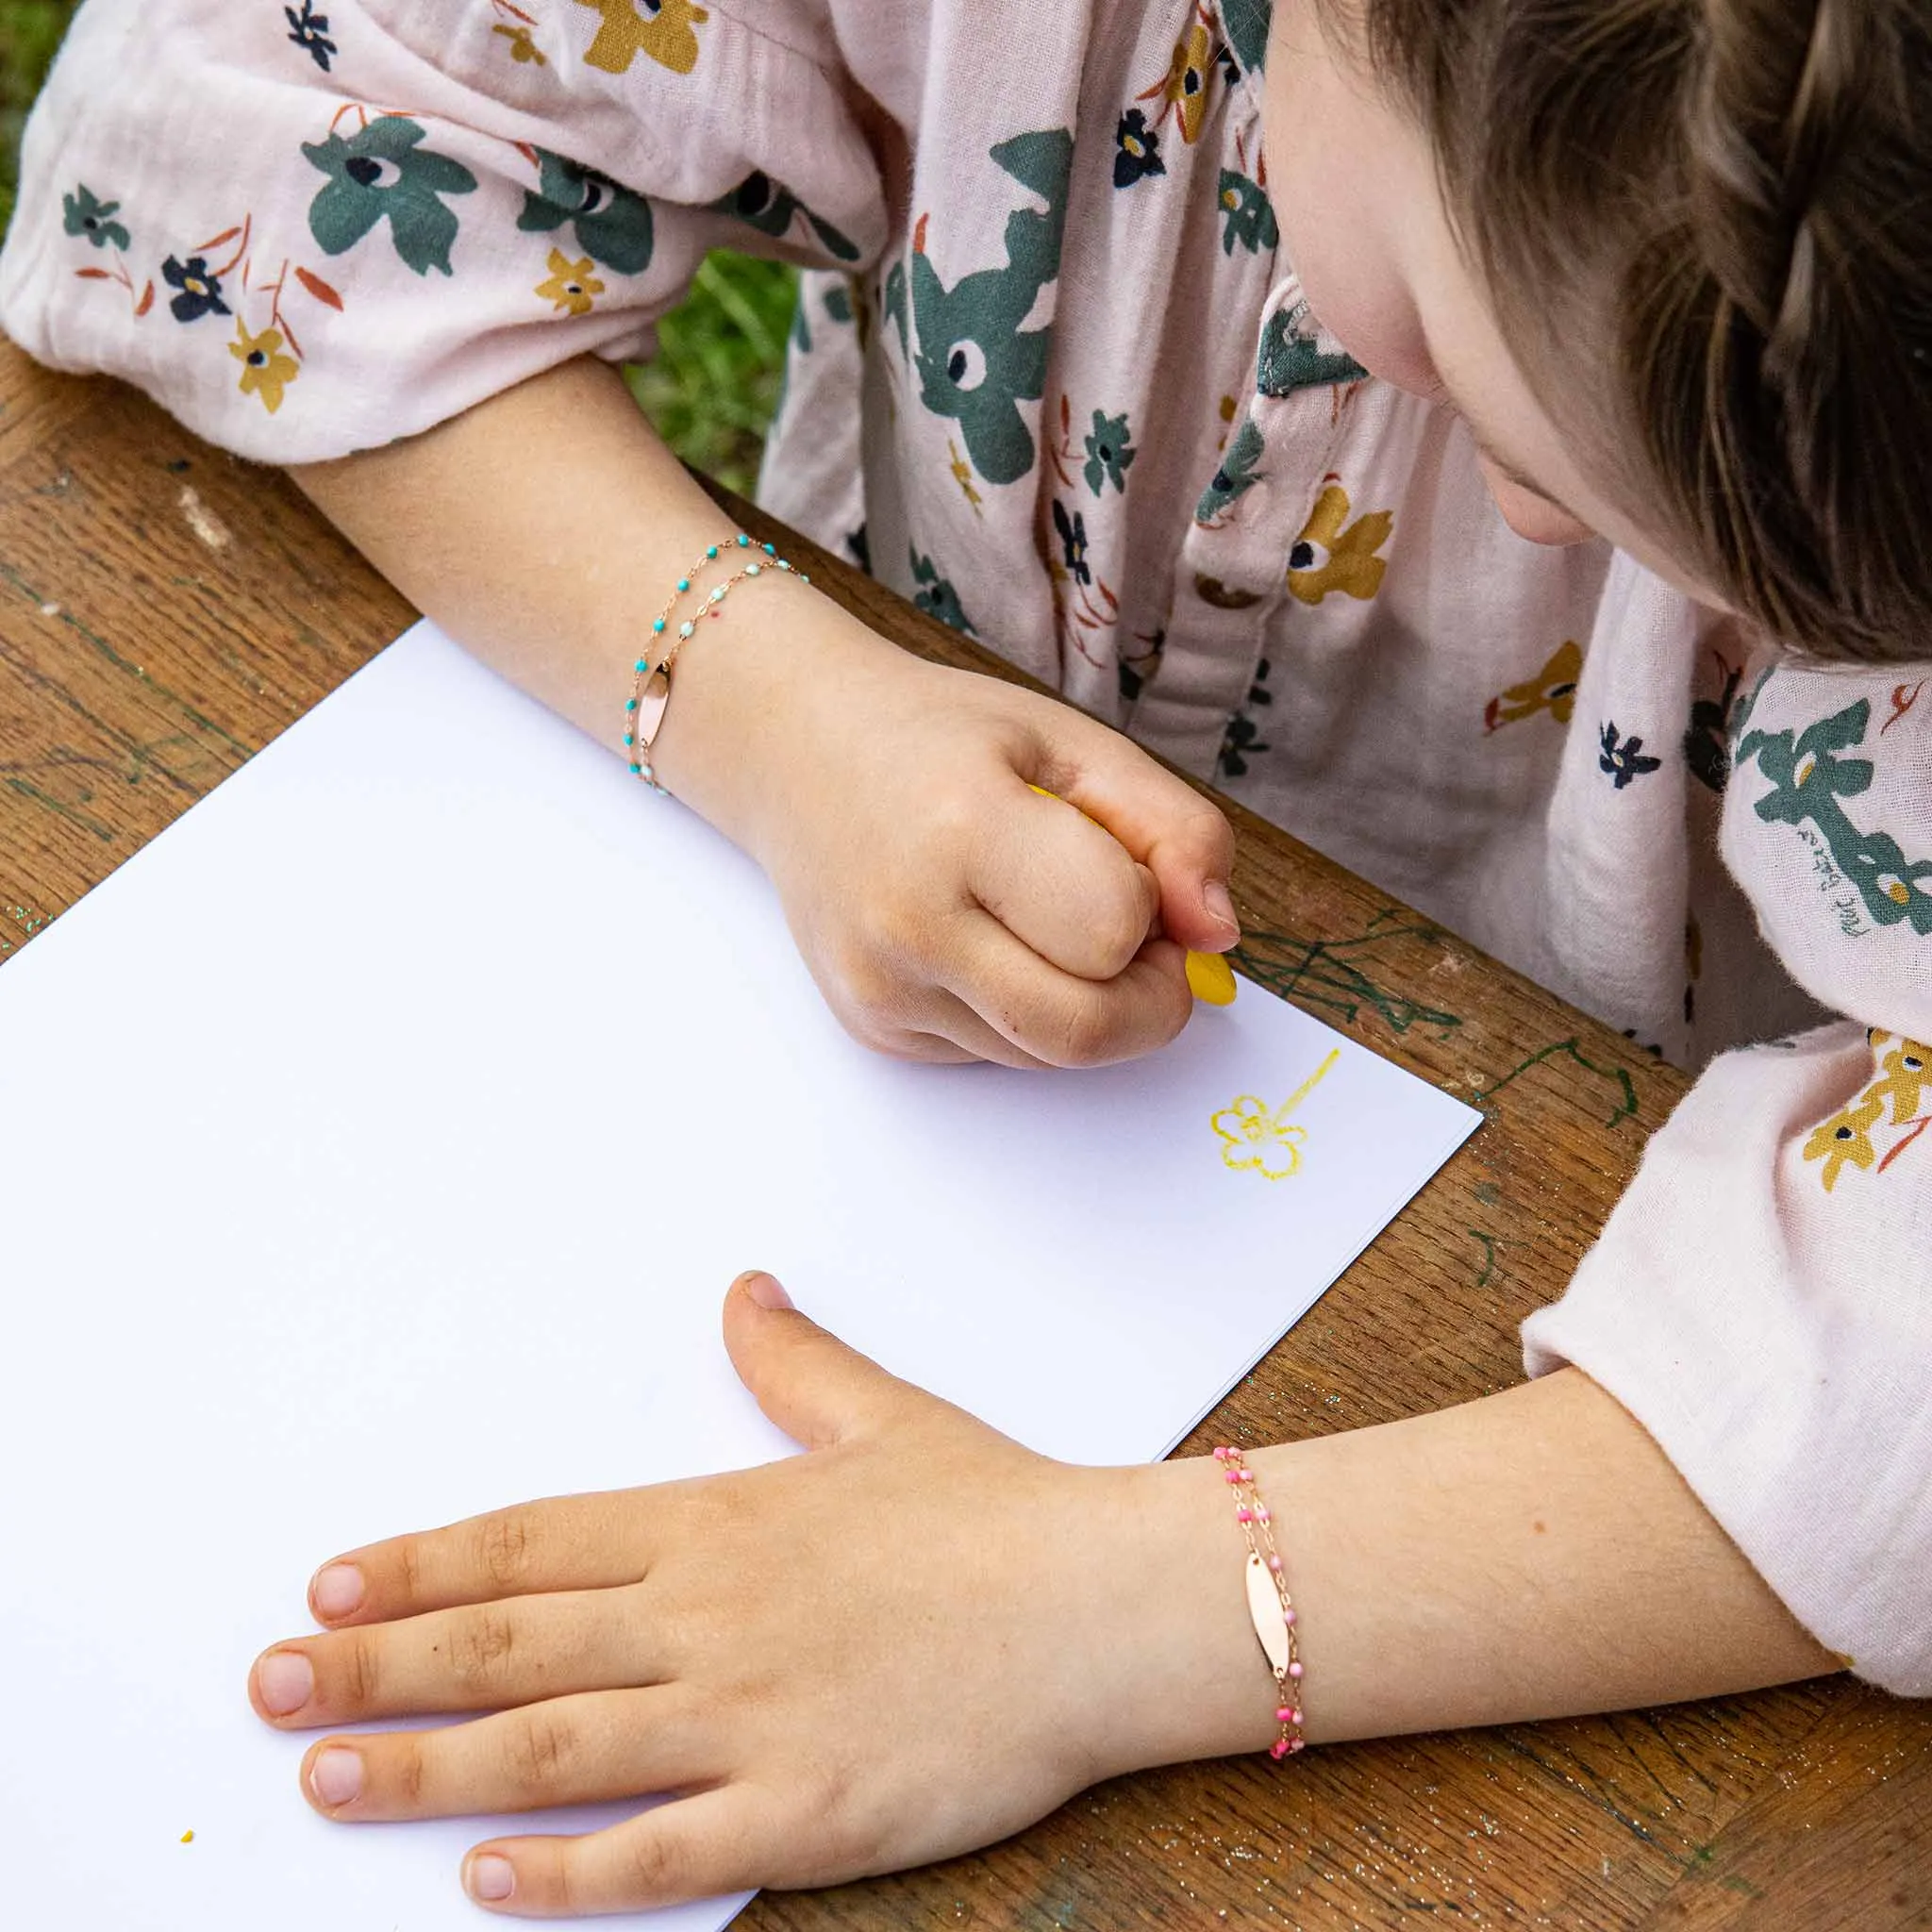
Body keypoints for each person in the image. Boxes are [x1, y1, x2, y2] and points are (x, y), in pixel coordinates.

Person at [4, 0, 1926, 1915]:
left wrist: (1103, 1613)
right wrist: (766, 705)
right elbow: (229, 123)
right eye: (1456, 354)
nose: (1533, 512)